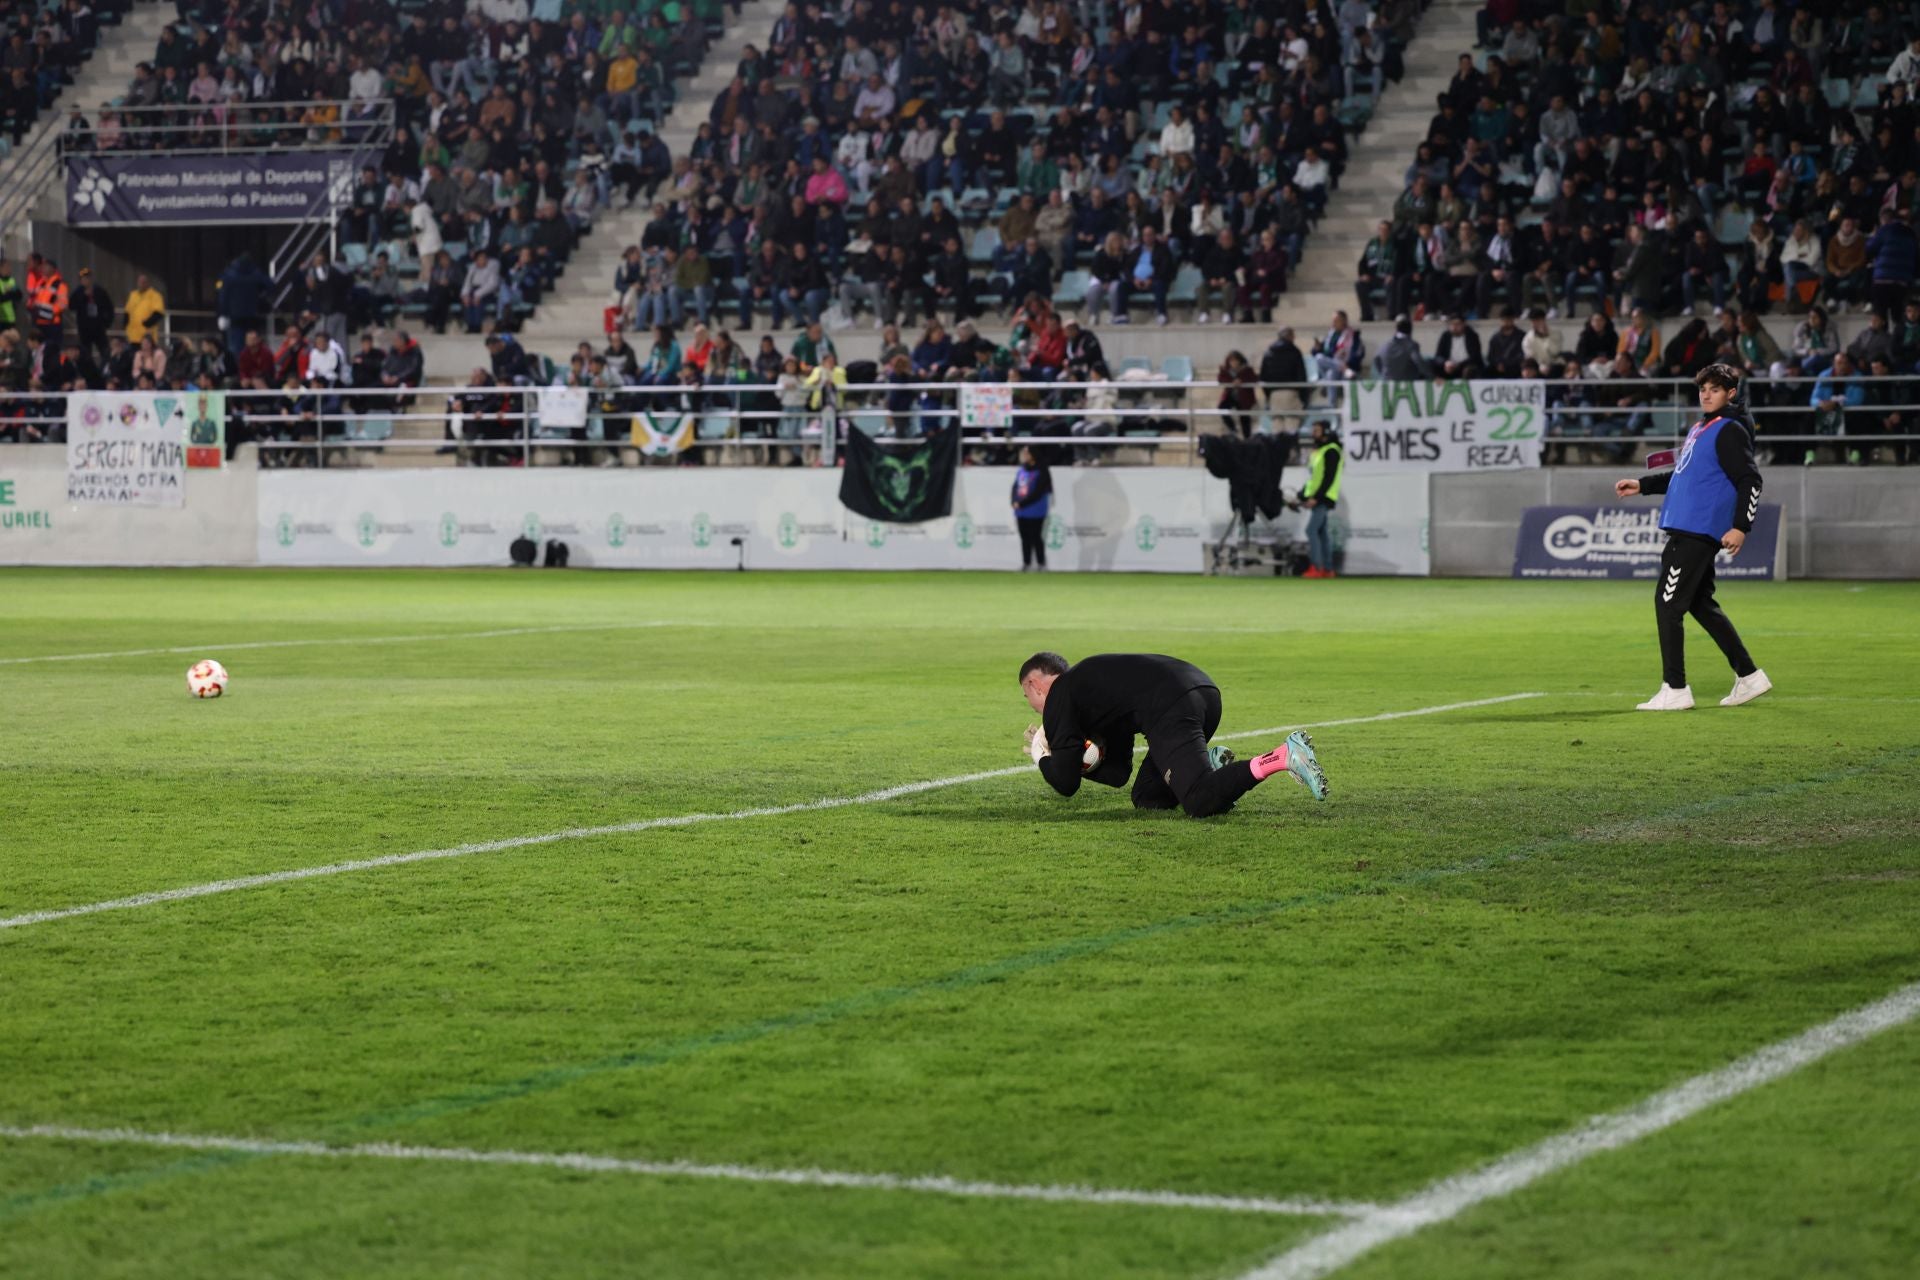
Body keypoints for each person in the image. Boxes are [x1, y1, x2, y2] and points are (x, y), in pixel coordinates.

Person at [1613, 363, 1771, 711]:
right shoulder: (1704, 427)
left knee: (1667, 603)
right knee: (1700, 604)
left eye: (1715, 389)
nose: (1706, 394)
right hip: (1690, 526)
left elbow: (1750, 480)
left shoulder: (1728, 429)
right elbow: (1683, 474)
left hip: (1697, 529)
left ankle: (1676, 688)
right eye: (1703, 388)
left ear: (1730, 394)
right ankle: (1749, 676)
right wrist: (1643, 484)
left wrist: (1741, 526)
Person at [1016, 651, 1329, 819]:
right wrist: (1087, 760)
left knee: (1198, 800)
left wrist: (1041, 752)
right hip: (1202, 691)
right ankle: (1211, 765)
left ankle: (1281, 757)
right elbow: (1118, 774)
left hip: (1172, 704)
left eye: (1026, 696)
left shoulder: (1058, 696)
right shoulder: (1090, 688)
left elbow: (1065, 784)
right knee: (1148, 798)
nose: (1032, 706)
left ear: (1035, 685)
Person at [1300, 420, 1344, 578]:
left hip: (1323, 498)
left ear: (1325, 432)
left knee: (1311, 530)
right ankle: (1327, 569)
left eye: (1316, 431)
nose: (1313, 434)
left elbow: (1328, 478)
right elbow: (1314, 478)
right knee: (1322, 532)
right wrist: (1303, 495)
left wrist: (1316, 498)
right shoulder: (1321, 451)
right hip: (1319, 497)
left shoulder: (1331, 451)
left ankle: (1316, 567)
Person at [1011, 445, 1051, 571]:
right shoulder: (1022, 469)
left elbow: (1039, 492)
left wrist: (1022, 503)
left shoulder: (1042, 470)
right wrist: (1013, 501)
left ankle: (1041, 563)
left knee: (1036, 536)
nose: (1024, 456)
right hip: (1021, 510)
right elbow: (1015, 486)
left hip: (1036, 508)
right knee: (1024, 537)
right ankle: (1026, 562)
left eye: (1027, 453)